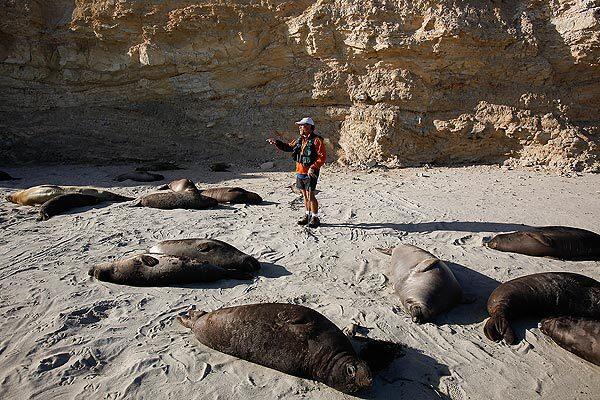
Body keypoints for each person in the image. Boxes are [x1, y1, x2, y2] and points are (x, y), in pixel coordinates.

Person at [267, 117, 327, 228]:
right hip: (300, 171)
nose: (300, 127)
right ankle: (307, 215)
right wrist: (277, 143)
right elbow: (289, 147)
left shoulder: (317, 140)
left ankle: (315, 217)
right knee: (304, 195)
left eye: (302, 125)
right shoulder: (299, 139)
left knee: (311, 195)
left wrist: (313, 167)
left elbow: (322, 157)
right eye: (300, 125)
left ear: (309, 127)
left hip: (310, 172)